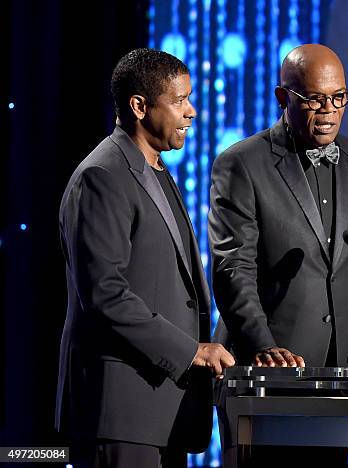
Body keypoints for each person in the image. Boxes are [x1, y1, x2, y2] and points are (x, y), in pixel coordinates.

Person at [208, 43, 348, 466]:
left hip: (339, 374)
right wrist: (263, 347)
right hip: (265, 374)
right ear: (282, 98)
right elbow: (231, 266)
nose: (328, 110)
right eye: (313, 98)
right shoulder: (241, 163)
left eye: (338, 98)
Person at [55, 48, 234, 468]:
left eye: (189, 99)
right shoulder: (103, 176)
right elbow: (104, 294)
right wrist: (191, 351)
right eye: (178, 101)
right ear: (139, 106)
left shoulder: (152, 168)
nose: (190, 112)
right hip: (120, 411)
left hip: (161, 408)